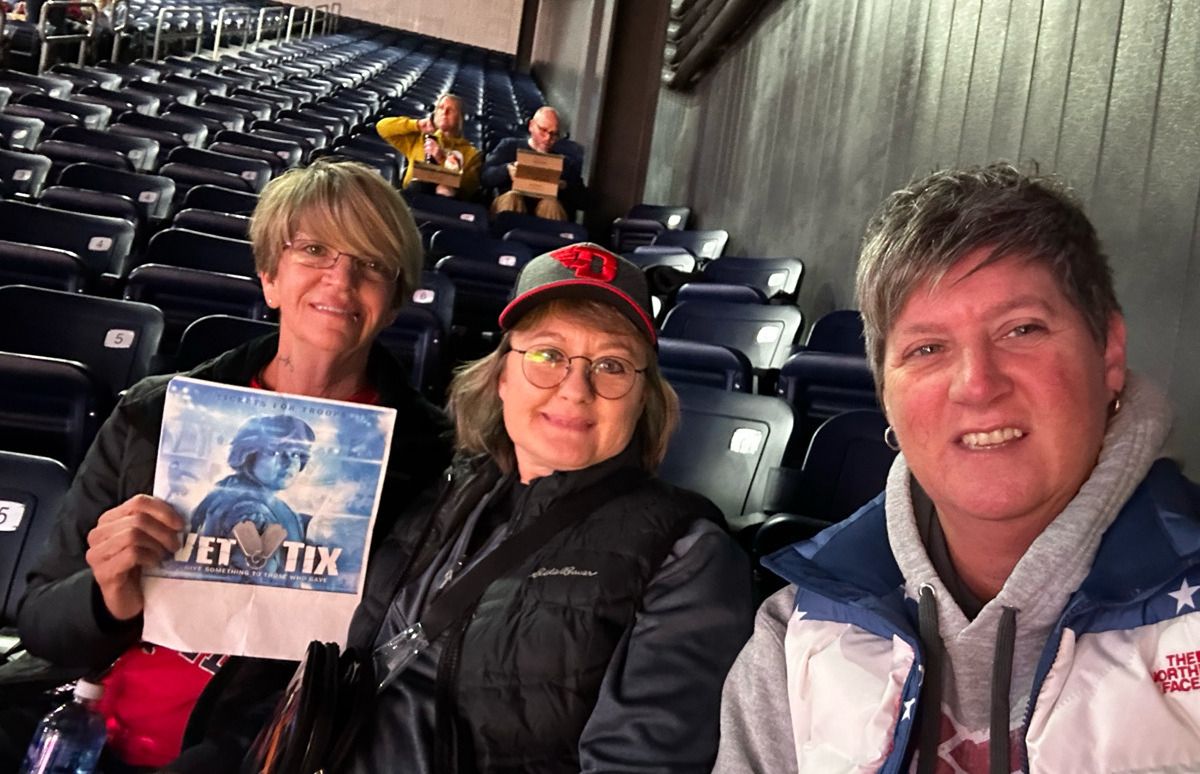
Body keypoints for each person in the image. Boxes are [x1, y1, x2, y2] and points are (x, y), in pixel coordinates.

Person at [181, 243, 754, 773]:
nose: (575, 389)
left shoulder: (688, 552)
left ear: (644, 396)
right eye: (548, 354)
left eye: (611, 365)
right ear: (503, 375)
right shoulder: (445, 486)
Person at [714, 162, 1200, 773]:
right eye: (926, 349)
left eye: (1021, 329)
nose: (976, 384)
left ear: (1108, 353)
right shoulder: (795, 637)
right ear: (884, 391)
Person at [10, 158, 452, 772]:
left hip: (255, 751)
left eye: (372, 262)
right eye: (315, 249)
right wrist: (108, 594)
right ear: (270, 277)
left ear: (396, 301)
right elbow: (40, 623)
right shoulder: (154, 412)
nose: (341, 279)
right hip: (77, 726)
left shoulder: (436, 461)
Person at [189, 415, 314, 574]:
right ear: (248, 454)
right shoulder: (249, 510)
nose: (288, 462)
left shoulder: (228, 490)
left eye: (296, 454)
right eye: (274, 452)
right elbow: (258, 579)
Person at [481, 105, 586, 221]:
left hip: (547, 210)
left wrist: (564, 186)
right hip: (512, 203)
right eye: (543, 130)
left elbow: (583, 200)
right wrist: (506, 170)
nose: (547, 138)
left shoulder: (565, 162)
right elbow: (485, 177)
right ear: (531, 126)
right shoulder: (509, 147)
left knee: (550, 204)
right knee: (512, 197)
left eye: (554, 134)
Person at [376, 93, 482, 199]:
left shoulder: (471, 153)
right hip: (411, 196)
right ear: (434, 114)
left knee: (445, 190)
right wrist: (417, 124)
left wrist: (442, 160)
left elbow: (468, 189)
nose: (444, 113)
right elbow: (382, 127)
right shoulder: (421, 138)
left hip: (443, 206)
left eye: (451, 110)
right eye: (441, 108)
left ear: (461, 117)